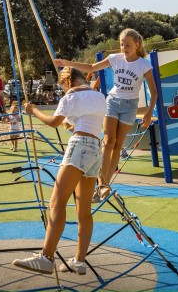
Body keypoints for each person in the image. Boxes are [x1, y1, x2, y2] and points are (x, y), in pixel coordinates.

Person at [12, 66, 106, 275]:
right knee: (84, 211)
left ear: (67, 82)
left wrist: (33, 110)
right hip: (95, 149)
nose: (64, 90)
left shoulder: (70, 97)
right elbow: (88, 122)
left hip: (79, 146)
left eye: (62, 86)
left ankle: (46, 257)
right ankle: (79, 260)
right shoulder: (99, 96)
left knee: (57, 202)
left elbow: (54, 122)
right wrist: (72, 124)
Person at [55, 28, 157, 202]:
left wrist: (148, 113)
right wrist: (68, 63)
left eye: (128, 45)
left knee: (118, 145)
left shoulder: (144, 65)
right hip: (113, 101)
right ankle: (101, 182)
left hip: (130, 105)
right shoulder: (115, 58)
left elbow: (153, 92)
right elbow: (91, 67)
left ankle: (105, 184)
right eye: (122, 45)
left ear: (137, 45)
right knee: (108, 141)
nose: (124, 48)